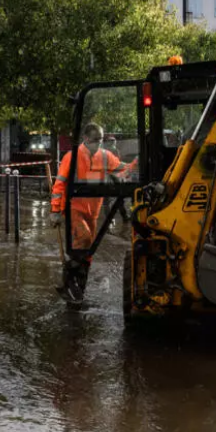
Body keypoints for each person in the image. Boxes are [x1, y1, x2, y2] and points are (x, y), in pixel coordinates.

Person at [49, 123, 136, 303]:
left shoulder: (105, 157)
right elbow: (59, 185)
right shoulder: (72, 157)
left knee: (88, 249)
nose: (99, 143)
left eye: (101, 139)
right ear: (86, 139)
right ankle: (69, 280)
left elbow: (122, 169)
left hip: (93, 210)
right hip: (74, 208)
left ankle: (77, 288)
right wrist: (55, 210)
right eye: (96, 140)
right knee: (84, 238)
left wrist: (137, 163)